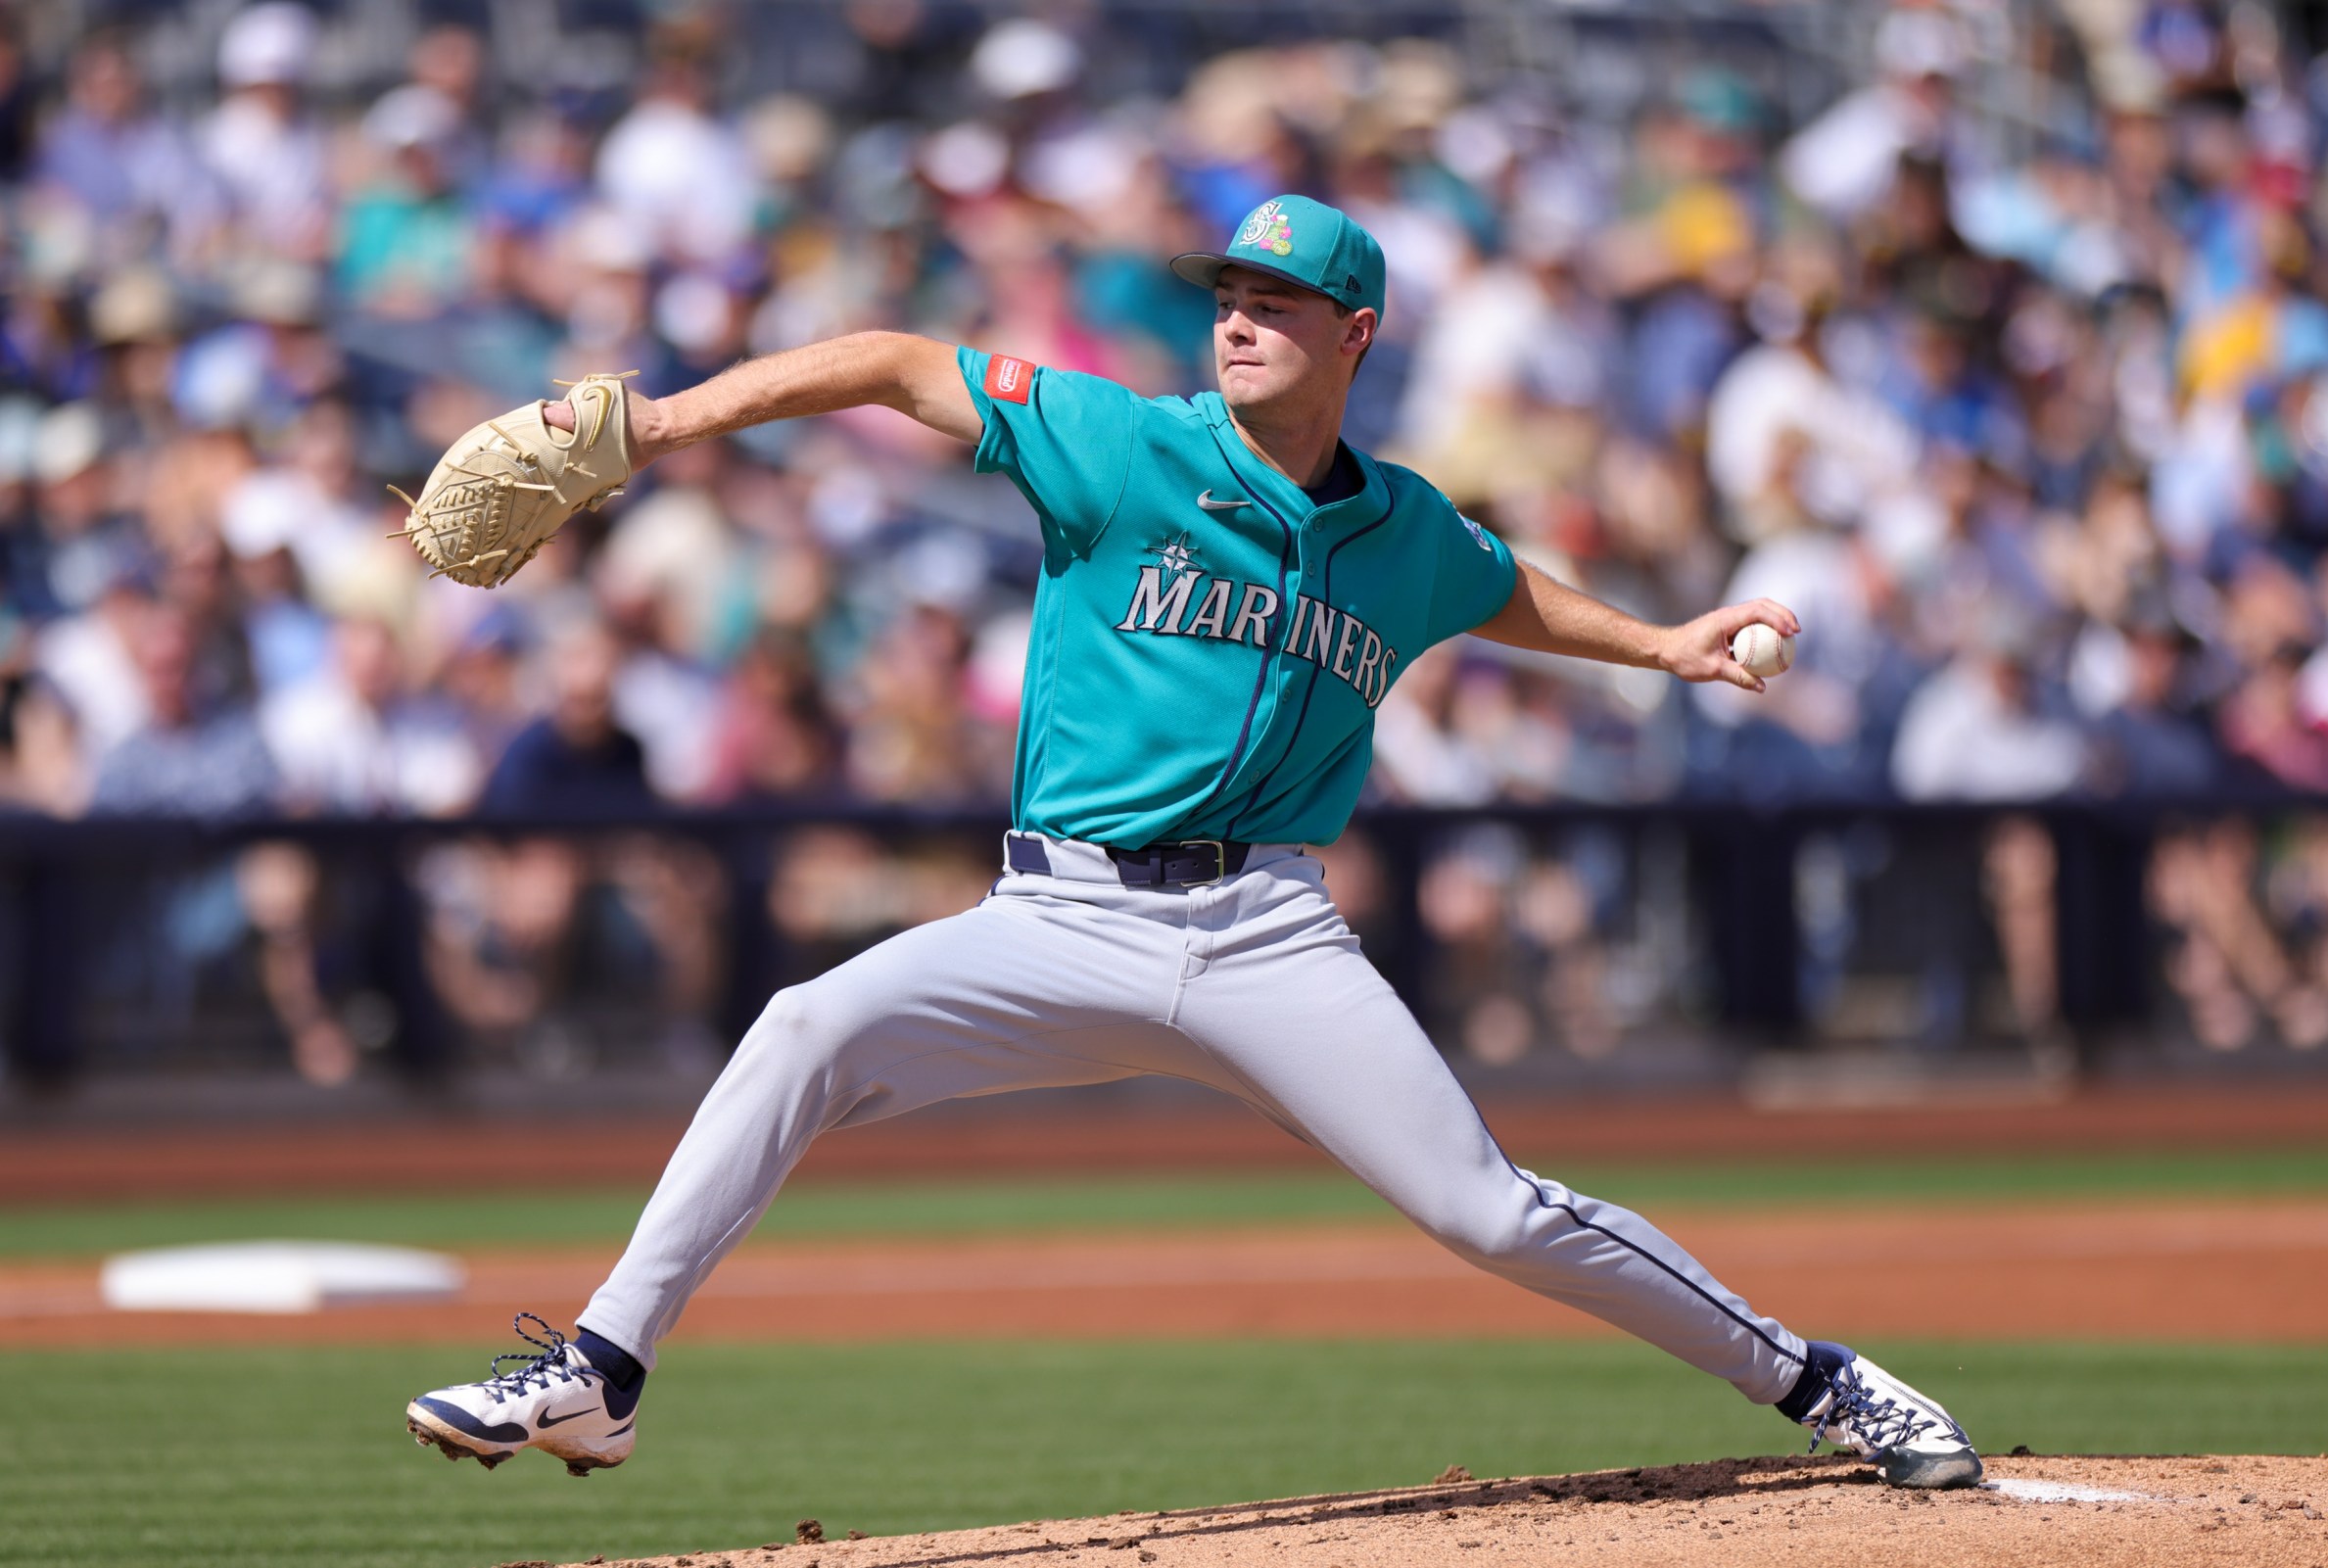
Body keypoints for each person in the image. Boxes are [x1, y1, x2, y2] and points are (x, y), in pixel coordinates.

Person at [403, 195, 1980, 1491]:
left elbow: (1503, 588)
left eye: (1277, 300)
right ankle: (601, 1369)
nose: (1237, 318)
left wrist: (1665, 645)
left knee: (1487, 1211)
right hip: (1057, 918)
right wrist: (665, 419)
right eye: (1226, 291)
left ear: (1355, 336)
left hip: (1267, 937)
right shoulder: (1121, 444)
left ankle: (1819, 1379)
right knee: (805, 1024)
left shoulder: (1406, 529)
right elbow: (891, 361)